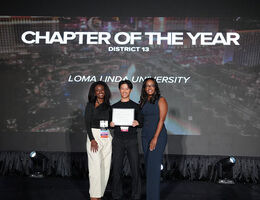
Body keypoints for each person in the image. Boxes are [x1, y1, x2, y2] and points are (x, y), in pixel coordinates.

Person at [110, 80, 142, 200]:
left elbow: (141, 122)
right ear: (119, 90)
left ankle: (136, 194)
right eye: (122, 88)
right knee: (117, 169)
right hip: (118, 140)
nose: (124, 91)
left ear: (130, 90)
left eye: (127, 88)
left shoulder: (136, 106)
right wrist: (111, 124)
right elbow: (108, 123)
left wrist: (137, 122)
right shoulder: (113, 107)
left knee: (135, 168)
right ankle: (116, 194)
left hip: (132, 140)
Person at [139, 78, 168, 200]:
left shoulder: (161, 100)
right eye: (147, 86)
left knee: (154, 168)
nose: (149, 88)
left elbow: (161, 120)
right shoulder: (143, 101)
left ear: (155, 87)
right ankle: (150, 196)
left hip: (158, 136)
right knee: (149, 168)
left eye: (152, 85)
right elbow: (141, 119)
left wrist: (155, 138)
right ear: (144, 88)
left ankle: (153, 197)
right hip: (145, 136)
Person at [84, 81, 112, 200]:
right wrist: (92, 140)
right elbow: (87, 123)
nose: (100, 92)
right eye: (97, 90)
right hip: (94, 136)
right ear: (94, 92)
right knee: (95, 167)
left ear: (105, 91)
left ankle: (99, 194)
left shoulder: (108, 106)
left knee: (105, 167)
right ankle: (94, 196)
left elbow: (110, 123)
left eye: (102, 90)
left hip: (106, 135)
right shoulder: (90, 105)